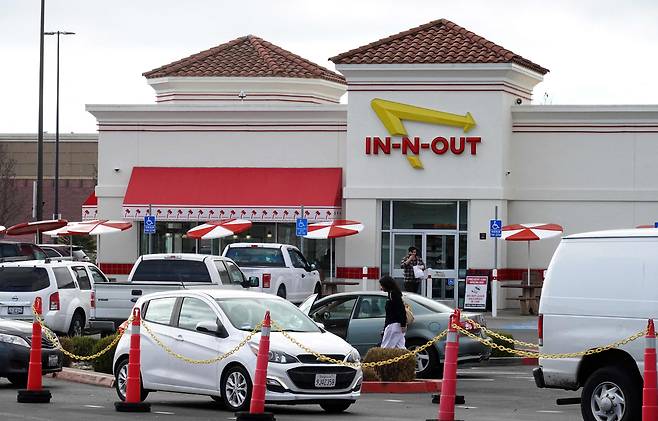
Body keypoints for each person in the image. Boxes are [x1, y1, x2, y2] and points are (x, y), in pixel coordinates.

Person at [379, 275, 407, 349]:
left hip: (393, 325)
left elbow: (401, 310)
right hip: (397, 326)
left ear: (386, 285)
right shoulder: (393, 294)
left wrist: (403, 324)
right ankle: (408, 360)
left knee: (386, 348)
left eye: (382, 285)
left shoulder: (393, 295)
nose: (381, 288)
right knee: (400, 348)